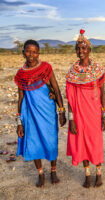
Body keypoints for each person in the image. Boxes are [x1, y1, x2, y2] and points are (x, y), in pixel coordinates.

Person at [15, 39, 66, 187]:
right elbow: (20, 98)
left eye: (35, 52)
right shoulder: (21, 74)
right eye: (28, 51)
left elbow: (56, 89)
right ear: (23, 52)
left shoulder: (46, 68)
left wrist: (61, 111)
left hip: (48, 111)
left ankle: (53, 171)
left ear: (39, 53)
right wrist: (19, 122)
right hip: (30, 113)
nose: (31, 54)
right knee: (33, 142)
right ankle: (40, 173)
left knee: (51, 141)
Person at [66, 29, 105, 188]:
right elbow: (69, 97)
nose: (81, 51)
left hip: (94, 112)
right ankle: (87, 174)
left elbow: (103, 93)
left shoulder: (98, 69)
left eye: (84, 48)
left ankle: (99, 173)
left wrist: (104, 115)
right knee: (81, 143)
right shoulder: (72, 72)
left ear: (89, 50)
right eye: (78, 48)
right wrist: (71, 119)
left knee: (95, 143)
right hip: (78, 113)